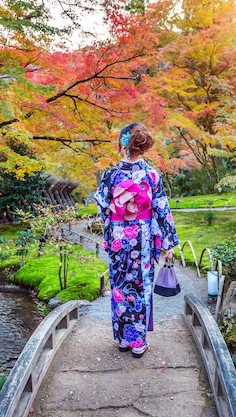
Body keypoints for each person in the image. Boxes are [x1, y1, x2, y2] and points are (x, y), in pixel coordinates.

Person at [94, 123, 179, 358]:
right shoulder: (151, 174)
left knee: (120, 288)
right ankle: (138, 342)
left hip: (119, 239)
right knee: (140, 287)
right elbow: (161, 209)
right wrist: (168, 242)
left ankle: (123, 339)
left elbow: (102, 205)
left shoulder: (110, 175)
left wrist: (116, 219)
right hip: (142, 239)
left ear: (122, 143)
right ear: (142, 145)